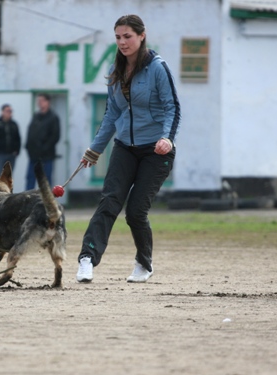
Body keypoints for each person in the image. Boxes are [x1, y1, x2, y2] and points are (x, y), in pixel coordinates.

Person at [76, 14, 181, 284]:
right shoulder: (116, 70)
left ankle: (144, 263)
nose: (122, 42)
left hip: (156, 151)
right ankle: (87, 258)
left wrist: (167, 138)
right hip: (124, 147)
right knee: (109, 202)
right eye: (118, 37)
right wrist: (94, 150)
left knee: (135, 211)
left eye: (128, 36)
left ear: (142, 36)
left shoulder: (157, 68)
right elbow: (112, 114)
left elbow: (172, 106)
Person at [25, 93, 60, 190]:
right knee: (30, 179)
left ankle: (46, 199)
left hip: (46, 156)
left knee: (45, 181)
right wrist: (28, 147)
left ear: (48, 102)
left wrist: (44, 148)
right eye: (38, 101)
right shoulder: (36, 116)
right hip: (33, 156)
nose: (39, 103)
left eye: (42, 100)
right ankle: (29, 199)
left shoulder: (53, 118)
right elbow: (30, 132)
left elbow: (55, 136)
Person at [0, 104, 21, 177]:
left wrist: (17, 151)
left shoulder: (14, 124)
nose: (9, 113)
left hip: (11, 154)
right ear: (2, 112)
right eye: (7, 111)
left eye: (10, 111)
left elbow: (18, 138)